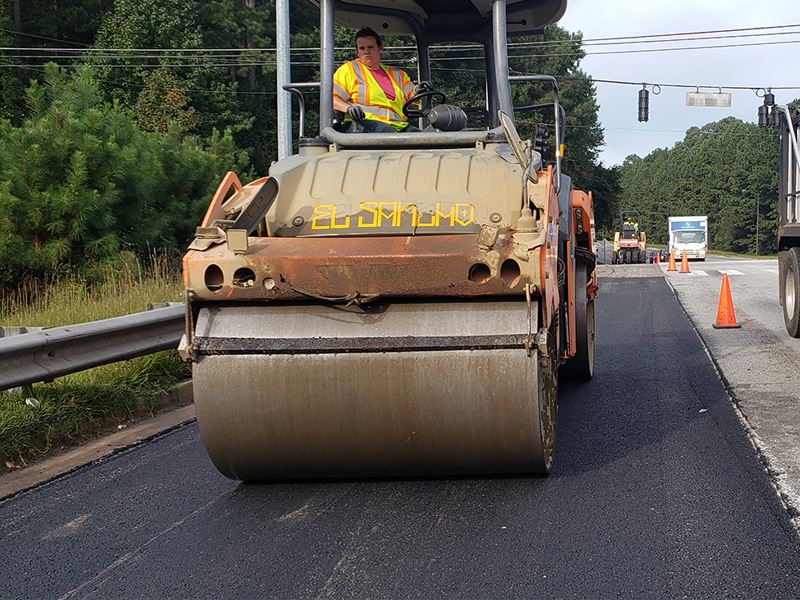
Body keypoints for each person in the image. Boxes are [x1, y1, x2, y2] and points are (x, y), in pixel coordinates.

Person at [333, 27, 429, 133]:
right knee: (389, 134)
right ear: (357, 52)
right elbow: (331, 99)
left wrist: (419, 89)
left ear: (380, 48)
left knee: (421, 138)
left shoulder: (397, 74)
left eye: (370, 47)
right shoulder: (349, 70)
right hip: (362, 124)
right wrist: (348, 108)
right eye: (362, 48)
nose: (367, 51)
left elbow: (412, 94)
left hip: (397, 125)